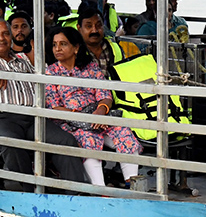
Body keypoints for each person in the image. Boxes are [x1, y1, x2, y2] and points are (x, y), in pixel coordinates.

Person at [0, 19, 86, 188]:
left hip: (31, 118)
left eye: (5, 33)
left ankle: (75, 193)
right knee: (13, 141)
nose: (1, 38)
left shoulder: (22, 61)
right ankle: (31, 193)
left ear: (11, 37)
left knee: (65, 140)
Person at [45, 26, 143, 189]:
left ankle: (132, 186)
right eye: (55, 45)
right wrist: (83, 117)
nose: (58, 49)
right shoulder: (50, 73)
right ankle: (99, 190)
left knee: (123, 132)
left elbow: (104, 94)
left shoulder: (90, 68)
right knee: (88, 140)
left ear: (76, 48)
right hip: (71, 122)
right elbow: (54, 107)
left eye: (63, 44)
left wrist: (100, 111)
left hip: (98, 117)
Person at [78, 2, 138, 73]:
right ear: (79, 28)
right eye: (89, 26)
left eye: (98, 25)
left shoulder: (115, 48)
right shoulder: (73, 51)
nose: (94, 30)